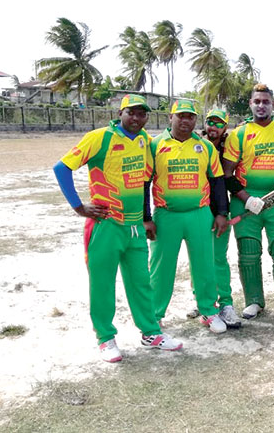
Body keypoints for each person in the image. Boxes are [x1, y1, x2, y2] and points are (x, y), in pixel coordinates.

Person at [53, 94, 182, 362]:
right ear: (120, 113)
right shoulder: (100, 137)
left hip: (134, 225)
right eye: (131, 113)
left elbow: (145, 181)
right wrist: (78, 206)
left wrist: (146, 217)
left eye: (142, 114)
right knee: (102, 283)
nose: (136, 118)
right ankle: (105, 338)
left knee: (141, 282)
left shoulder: (145, 140)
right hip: (106, 224)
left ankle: (150, 332)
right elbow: (61, 168)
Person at [222, 84, 274, 328]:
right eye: (257, 101)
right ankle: (254, 301)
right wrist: (246, 198)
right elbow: (227, 173)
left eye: (266, 101)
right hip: (245, 202)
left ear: (273, 105)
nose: (261, 105)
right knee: (248, 253)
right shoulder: (239, 134)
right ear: (250, 104)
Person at [148, 100, 228, 333]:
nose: (185, 120)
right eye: (181, 116)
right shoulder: (155, 145)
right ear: (170, 118)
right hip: (166, 215)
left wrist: (221, 213)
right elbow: (144, 182)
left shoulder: (205, 147)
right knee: (161, 268)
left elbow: (217, 181)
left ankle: (208, 311)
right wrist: (145, 217)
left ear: (195, 120)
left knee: (204, 265)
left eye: (190, 117)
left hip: (199, 214)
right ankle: (155, 314)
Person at [182, 108, 241, 328]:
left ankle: (225, 303)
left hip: (218, 210)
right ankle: (202, 300)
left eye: (219, 124)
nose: (213, 127)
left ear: (225, 127)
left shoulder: (228, 148)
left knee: (218, 258)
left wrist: (223, 213)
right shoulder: (193, 142)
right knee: (198, 258)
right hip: (195, 210)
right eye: (210, 122)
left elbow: (225, 180)